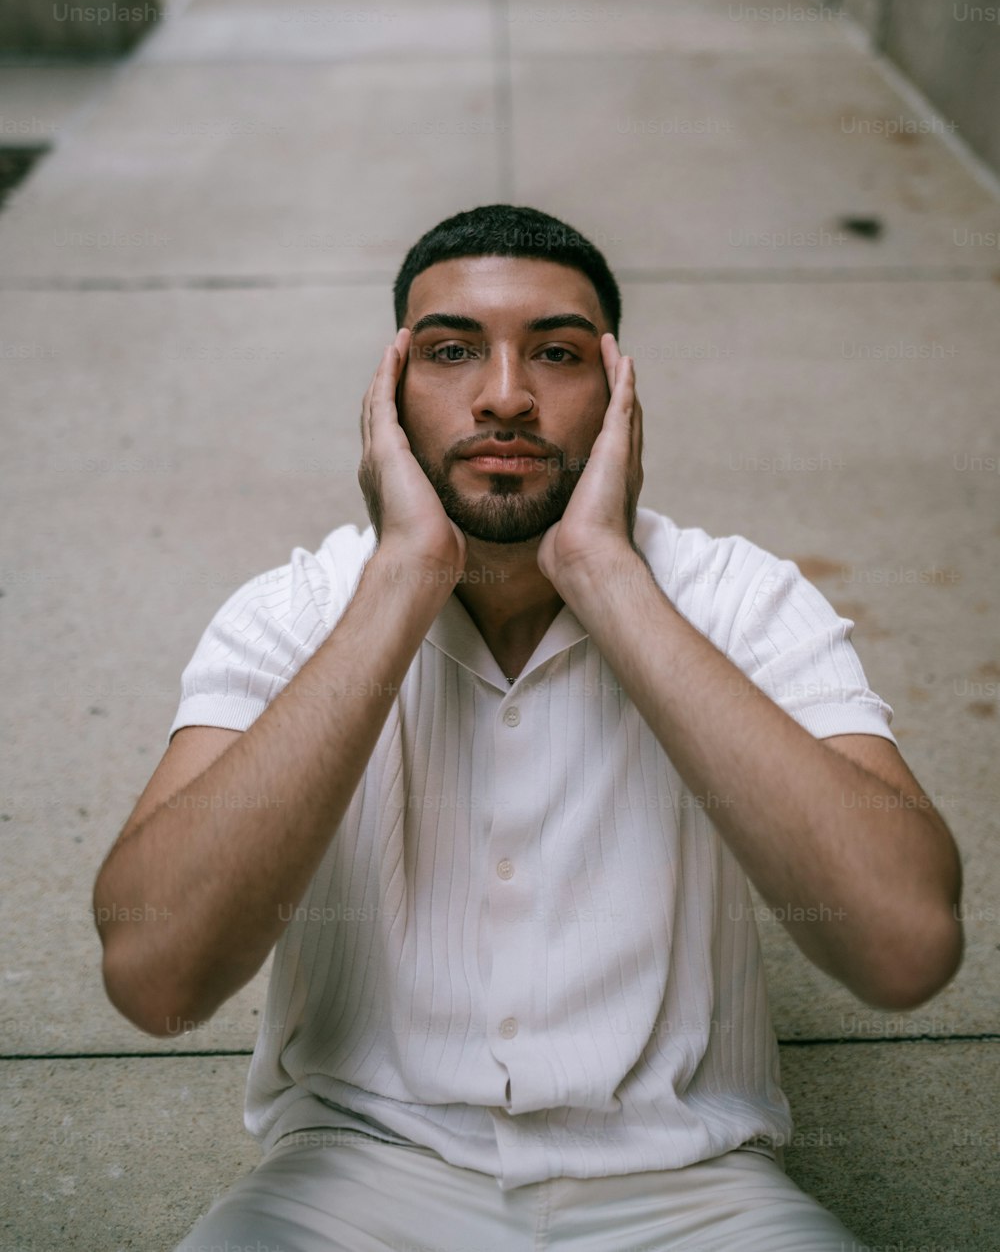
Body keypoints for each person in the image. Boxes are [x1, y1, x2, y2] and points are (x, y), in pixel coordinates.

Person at [93, 204, 963, 1251]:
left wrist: (604, 573)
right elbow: (155, 978)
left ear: (617, 395)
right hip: (352, 1185)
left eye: (556, 354)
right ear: (387, 395)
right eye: (452, 351)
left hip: (693, 1194)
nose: (505, 396)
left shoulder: (741, 599)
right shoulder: (297, 611)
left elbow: (904, 947)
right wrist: (404, 578)